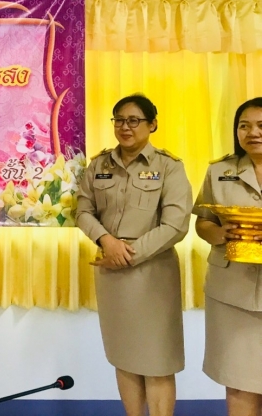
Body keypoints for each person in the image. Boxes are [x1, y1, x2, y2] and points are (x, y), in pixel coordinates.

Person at [76, 94, 193, 416]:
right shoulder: (98, 165)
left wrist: (126, 254)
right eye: (119, 120)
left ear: (152, 125)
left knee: (157, 359)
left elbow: (176, 225)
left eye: (133, 121)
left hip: (153, 274)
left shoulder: (169, 167)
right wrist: (106, 241)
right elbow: (83, 211)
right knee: (124, 355)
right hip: (111, 273)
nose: (125, 127)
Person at [195, 97, 262, 416]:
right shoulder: (219, 170)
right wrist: (219, 234)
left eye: (261, 125)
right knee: (239, 381)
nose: (253, 132)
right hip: (232, 292)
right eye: (244, 126)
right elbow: (203, 221)